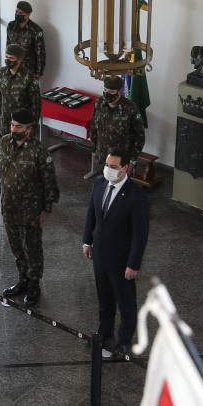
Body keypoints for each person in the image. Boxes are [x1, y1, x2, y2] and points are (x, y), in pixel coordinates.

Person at [82, 147, 150, 354]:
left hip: (122, 260)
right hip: (100, 255)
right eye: (106, 165)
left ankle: (125, 340)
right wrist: (87, 241)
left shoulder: (136, 197)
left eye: (113, 167)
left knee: (125, 301)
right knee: (104, 297)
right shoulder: (100, 183)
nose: (108, 170)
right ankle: (105, 331)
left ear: (125, 169)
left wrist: (133, 264)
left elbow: (140, 234)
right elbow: (91, 214)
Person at [0, 108, 60, 307]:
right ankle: (22, 278)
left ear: (29, 129)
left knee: (31, 246)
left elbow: (49, 182)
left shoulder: (39, 150)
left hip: (30, 208)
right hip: (9, 206)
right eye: (12, 125)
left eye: (19, 126)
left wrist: (46, 209)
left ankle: (34, 283)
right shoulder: (5, 142)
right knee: (16, 244)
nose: (14, 129)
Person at [89, 76, 145, 176]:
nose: (107, 94)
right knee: (103, 184)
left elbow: (139, 136)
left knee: (120, 186)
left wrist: (132, 161)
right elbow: (93, 127)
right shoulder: (99, 103)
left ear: (119, 92)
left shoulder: (130, 108)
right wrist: (94, 150)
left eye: (111, 92)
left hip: (120, 160)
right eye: (105, 90)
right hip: (102, 156)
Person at [0, 43, 41, 133]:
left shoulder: (28, 76)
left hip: (22, 123)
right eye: (6, 57)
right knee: (6, 144)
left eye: (11, 58)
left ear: (19, 59)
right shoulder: (2, 72)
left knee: (22, 145)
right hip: (6, 120)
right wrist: (1, 114)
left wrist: (33, 125)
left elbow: (36, 102)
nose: (8, 60)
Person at [6, 0, 46, 80]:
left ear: (28, 14)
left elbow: (40, 53)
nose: (17, 14)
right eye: (16, 12)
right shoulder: (11, 26)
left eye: (20, 13)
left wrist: (39, 72)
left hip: (28, 69)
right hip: (12, 67)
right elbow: (8, 46)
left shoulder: (36, 30)